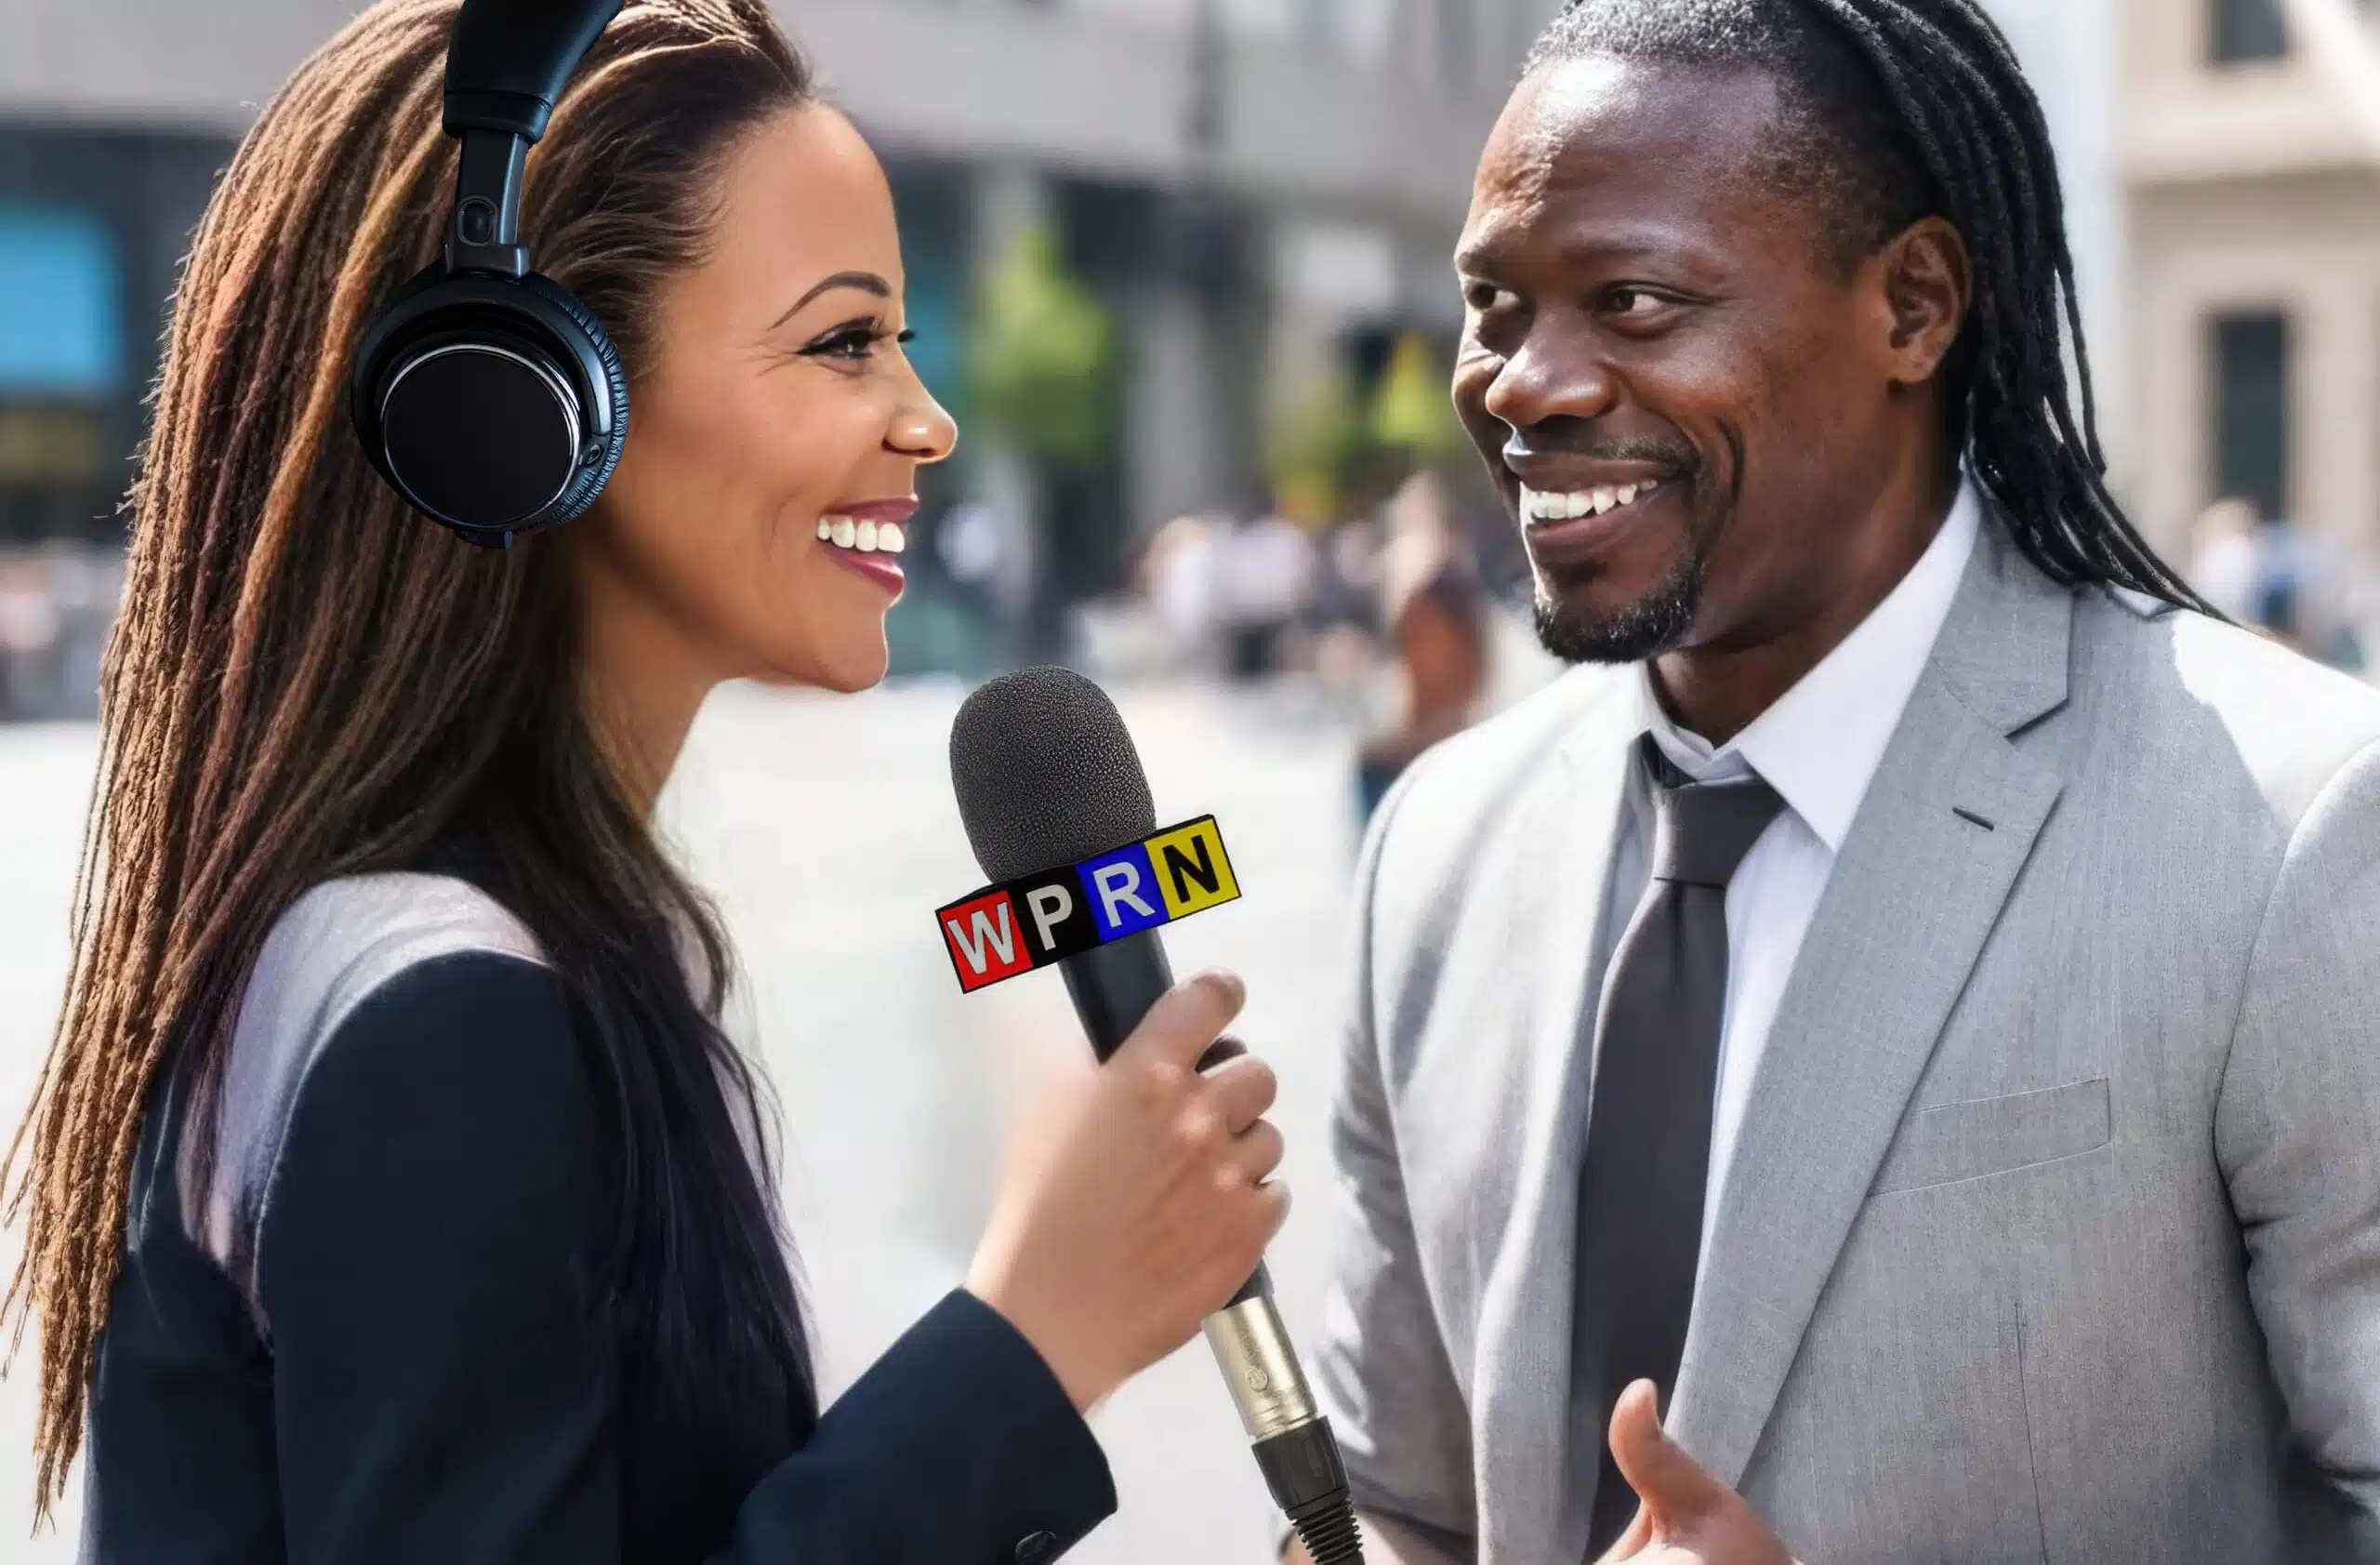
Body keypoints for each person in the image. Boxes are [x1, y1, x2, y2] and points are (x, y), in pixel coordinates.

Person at [4, 5, 1291, 1560]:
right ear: (521, 406)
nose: (925, 420)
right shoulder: (441, 1014)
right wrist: (1031, 1333)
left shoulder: (523, 950)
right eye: (841, 339)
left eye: (905, 340)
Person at [1294, 2, 2380, 1563]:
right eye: (1493, 303)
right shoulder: (1437, 853)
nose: (1526, 382)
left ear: (1914, 307)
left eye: (1636, 299)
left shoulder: (2292, 833)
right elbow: (1393, 1494)